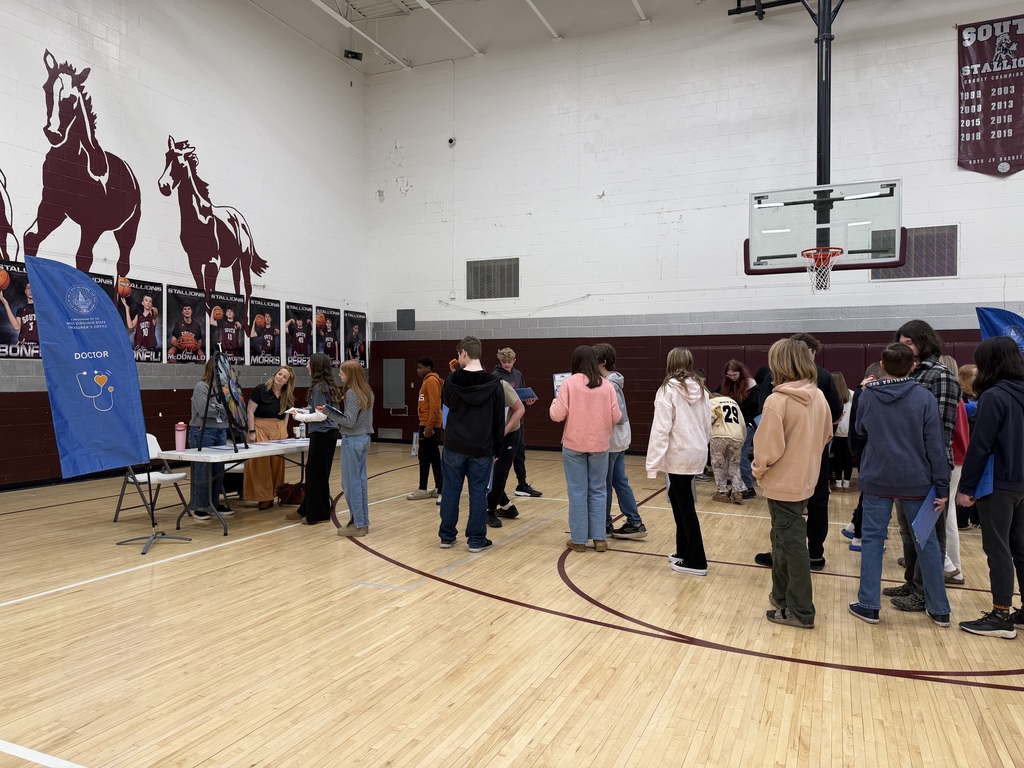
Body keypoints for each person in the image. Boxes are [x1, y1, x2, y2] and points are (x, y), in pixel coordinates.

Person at [847, 342, 951, 627]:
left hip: (877, 478)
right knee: (926, 542)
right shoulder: (924, 397)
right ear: (913, 366)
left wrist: (865, 392)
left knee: (872, 541)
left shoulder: (869, 395)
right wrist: (942, 487)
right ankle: (939, 609)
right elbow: (936, 446)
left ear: (882, 364)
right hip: (916, 481)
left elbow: (859, 429)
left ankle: (869, 605)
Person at [753, 338, 832, 629]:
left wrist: (759, 471)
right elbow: (826, 435)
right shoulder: (818, 395)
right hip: (806, 480)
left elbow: (766, 449)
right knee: (781, 540)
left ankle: (800, 610)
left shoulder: (777, 401)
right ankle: (781, 595)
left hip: (782, 483)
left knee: (792, 544)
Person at [885, 320, 962, 612]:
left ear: (924, 342)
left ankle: (924, 590)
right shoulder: (907, 373)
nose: (904, 348)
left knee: (928, 532)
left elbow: (942, 430)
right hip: (903, 467)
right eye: (901, 343)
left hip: (929, 468)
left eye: (909, 343)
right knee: (907, 529)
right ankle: (911, 582)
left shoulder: (941, 376)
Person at [956, 336, 1024, 638]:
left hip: (998, 484)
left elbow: (980, 446)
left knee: (997, 549)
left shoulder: (994, 397)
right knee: (1020, 548)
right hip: (1020, 482)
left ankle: (1001, 615)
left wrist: (966, 487)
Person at [646, 348, 712, 576]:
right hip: (696, 450)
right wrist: (702, 446)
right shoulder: (702, 390)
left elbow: (660, 429)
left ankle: (697, 560)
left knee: (685, 504)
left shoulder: (667, 390)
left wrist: (652, 464)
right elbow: (708, 424)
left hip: (679, 453)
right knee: (677, 496)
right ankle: (684, 550)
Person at [550, 346, 621, 552]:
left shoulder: (569, 383)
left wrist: (555, 401)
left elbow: (557, 415)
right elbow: (616, 417)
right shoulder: (606, 385)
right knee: (598, 490)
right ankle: (600, 539)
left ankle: (579, 539)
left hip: (574, 444)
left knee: (577, 491)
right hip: (600, 444)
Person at [438, 335, 504, 552]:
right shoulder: (494, 383)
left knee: (450, 491)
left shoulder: (452, 380)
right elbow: (498, 419)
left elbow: (447, 402)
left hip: (454, 445)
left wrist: (453, 376)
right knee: (478, 493)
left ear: (464, 353)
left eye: (459, 354)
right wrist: (498, 449)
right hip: (481, 447)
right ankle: (476, 540)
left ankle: (447, 536)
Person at [594, 342, 646, 539]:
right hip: (618, 440)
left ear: (602, 361)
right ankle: (634, 521)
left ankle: (605, 523)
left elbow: (617, 416)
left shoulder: (609, 385)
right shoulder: (611, 382)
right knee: (619, 481)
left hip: (612, 440)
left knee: (605, 484)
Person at [287, 353, 342, 525]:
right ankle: (307, 509)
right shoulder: (328, 385)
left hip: (322, 434)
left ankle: (317, 514)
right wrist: (306, 411)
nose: (306, 366)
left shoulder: (319, 387)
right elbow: (321, 410)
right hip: (329, 434)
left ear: (316, 366)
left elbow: (320, 416)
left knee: (316, 475)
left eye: (309, 363)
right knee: (315, 473)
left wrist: (299, 417)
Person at [493, 347, 543, 498]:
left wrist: (528, 403)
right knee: (502, 459)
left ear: (514, 361)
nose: (506, 364)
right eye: (504, 362)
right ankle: (496, 488)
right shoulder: (495, 376)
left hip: (517, 422)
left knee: (520, 454)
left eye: (509, 361)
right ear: (499, 361)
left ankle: (522, 484)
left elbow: (521, 401)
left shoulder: (518, 374)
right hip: (503, 423)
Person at [244, 366, 295, 510]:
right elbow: (250, 411)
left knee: (277, 464)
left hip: (278, 429)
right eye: (280, 374)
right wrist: (252, 431)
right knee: (260, 464)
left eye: (284, 377)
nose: (280, 377)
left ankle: (274, 493)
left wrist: (284, 429)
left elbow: (287, 414)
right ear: (275, 374)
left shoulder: (287, 394)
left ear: (287, 382)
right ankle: (263, 496)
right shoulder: (261, 389)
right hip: (260, 427)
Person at [334, 360, 375, 537]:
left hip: (352, 439)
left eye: (342, 372)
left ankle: (357, 524)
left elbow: (349, 422)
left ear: (350, 374)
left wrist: (330, 414)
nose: (339, 375)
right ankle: (363, 521)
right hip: (364, 439)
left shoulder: (352, 393)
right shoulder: (367, 391)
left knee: (350, 483)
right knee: (360, 481)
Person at [188, 358, 230, 520]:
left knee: (218, 469)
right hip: (203, 431)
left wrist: (217, 407)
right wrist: (221, 408)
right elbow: (204, 410)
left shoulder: (224, 388)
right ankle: (200, 506)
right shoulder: (201, 387)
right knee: (202, 469)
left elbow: (231, 408)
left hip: (221, 430)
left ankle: (214, 503)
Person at [486, 378, 526, 528]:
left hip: (509, 434)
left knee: (499, 473)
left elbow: (520, 409)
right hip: (490, 434)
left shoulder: (501, 385)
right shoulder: (473, 388)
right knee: (489, 472)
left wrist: (503, 432)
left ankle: (489, 510)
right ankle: (506, 506)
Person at [720, 360, 758, 499]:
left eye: (734, 375)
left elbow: (753, 407)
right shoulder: (728, 384)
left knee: (741, 456)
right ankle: (738, 486)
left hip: (746, 425)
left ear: (740, 373)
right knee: (733, 456)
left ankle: (748, 487)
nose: (732, 377)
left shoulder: (751, 385)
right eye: (729, 375)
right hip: (733, 426)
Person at [408, 357, 443, 501]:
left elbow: (435, 405)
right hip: (428, 423)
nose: (418, 370)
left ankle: (423, 488)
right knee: (434, 457)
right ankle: (439, 488)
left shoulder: (431, 381)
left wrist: (429, 426)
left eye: (420, 367)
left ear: (428, 368)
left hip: (429, 425)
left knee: (424, 457)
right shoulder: (427, 381)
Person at [708, 391, 747, 503]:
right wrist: (742, 440)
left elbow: (710, 418)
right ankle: (737, 492)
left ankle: (722, 492)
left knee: (718, 464)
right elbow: (742, 423)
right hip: (737, 435)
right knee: (734, 464)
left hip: (719, 435)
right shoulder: (733, 402)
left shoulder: (712, 402)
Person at [830, 372, 854, 490]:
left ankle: (838, 482)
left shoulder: (830, 395)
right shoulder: (852, 394)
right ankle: (847, 482)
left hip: (835, 431)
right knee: (848, 457)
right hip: (849, 431)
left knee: (837, 457)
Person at [122, 292, 159, 359]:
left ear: (151, 304)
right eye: (146, 301)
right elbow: (130, 326)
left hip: (150, 349)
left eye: (150, 301)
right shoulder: (138, 316)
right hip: (139, 349)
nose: (148, 303)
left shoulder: (152, 316)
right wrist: (127, 309)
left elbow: (155, 311)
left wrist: (152, 308)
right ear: (142, 303)